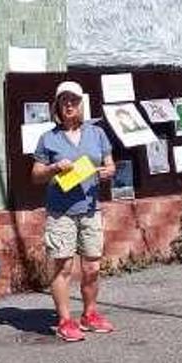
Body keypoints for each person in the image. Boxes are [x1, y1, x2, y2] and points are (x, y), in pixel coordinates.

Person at [31, 81, 116, 342]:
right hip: (61, 212)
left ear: (81, 104)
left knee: (92, 266)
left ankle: (89, 314)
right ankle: (65, 320)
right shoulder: (49, 138)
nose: (70, 105)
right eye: (65, 101)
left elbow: (109, 164)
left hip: (90, 209)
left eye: (74, 101)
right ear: (57, 105)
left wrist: (109, 171)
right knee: (63, 267)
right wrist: (54, 167)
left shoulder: (97, 134)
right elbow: (35, 176)